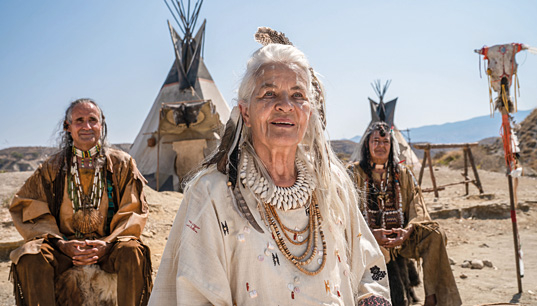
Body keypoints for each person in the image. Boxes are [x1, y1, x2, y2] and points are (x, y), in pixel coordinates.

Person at [149, 28, 391, 305]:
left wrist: (371, 298)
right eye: (268, 93)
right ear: (245, 112)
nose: (285, 105)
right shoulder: (213, 194)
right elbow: (195, 293)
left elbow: (367, 267)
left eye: (298, 95)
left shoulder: (331, 185)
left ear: (309, 112)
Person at [9, 98, 152, 306]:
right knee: (30, 256)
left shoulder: (122, 163)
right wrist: (61, 243)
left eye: (92, 120)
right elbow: (29, 207)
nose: (87, 126)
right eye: (79, 120)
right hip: (64, 247)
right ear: (68, 127)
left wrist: (107, 243)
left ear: (101, 125)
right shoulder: (52, 166)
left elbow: (134, 211)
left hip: (110, 246)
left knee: (133, 252)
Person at [349, 121, 461, 306]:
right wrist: (370, 235)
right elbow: (347, 213)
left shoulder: (403, 174)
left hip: (402, 239)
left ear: (391, 146)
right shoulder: (354, 174)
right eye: (375, 141)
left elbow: (417, 207)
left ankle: (434, 298)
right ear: (367, 145)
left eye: (385, 142)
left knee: (435, 234)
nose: (380, 146)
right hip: (367, 241)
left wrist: (407, 231)